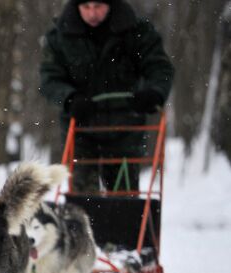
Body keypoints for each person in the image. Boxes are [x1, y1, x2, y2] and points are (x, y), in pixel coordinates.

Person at [40, 0, 174, 193]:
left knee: (124, 201)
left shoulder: (136, 30)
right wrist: (69, 98)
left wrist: (154, 92)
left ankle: (124, 221)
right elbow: (49, 79)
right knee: (82, 202)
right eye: (86, 7)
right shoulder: (60, 36)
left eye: (98, 6)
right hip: (81, 131)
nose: (92, 14)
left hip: (126, 129)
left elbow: (160, 68)